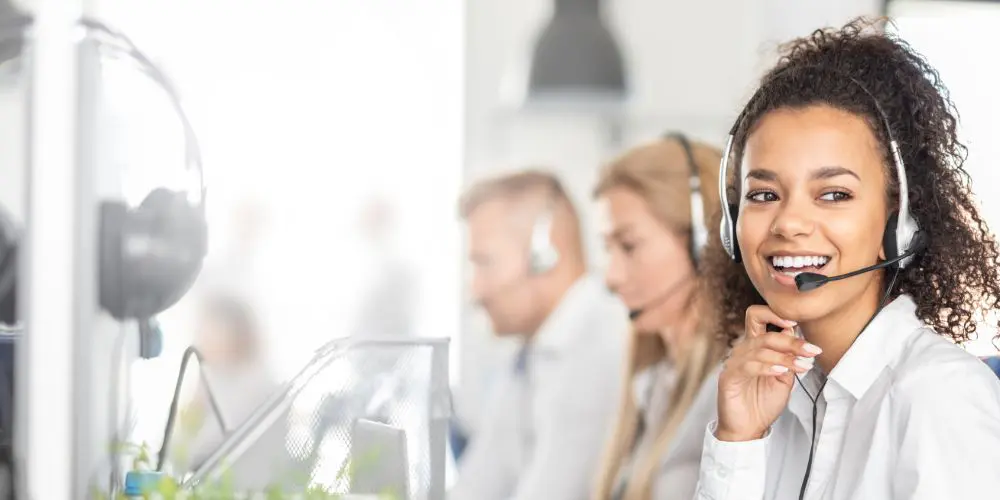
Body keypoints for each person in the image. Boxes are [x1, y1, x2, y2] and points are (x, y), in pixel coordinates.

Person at [694, 18, 1000, 499]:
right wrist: (738, 443)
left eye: (834, 194)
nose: (788, 223)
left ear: (898, 226)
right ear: (732, 225)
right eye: (765, 194)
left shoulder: (939, 397)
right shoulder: (777, 398)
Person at [450, 170, 628, 500]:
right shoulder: (533, 350)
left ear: (544, 254)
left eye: (485, 263)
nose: (475, 290)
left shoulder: (599, 349)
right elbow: (478, 485)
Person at [592, 133, 728, 500]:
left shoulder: (733, 390)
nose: (611, 277)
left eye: (629, 246)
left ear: (704, 245)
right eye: (608, 249)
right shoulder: (653, 382)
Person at [170, 295, 288, 490]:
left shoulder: (254, 385)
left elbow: (192, 454)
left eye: (207, 330)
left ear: (234, 333)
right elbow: (176, 454)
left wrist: (199, 397)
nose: (200, 339)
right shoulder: (225, 381)